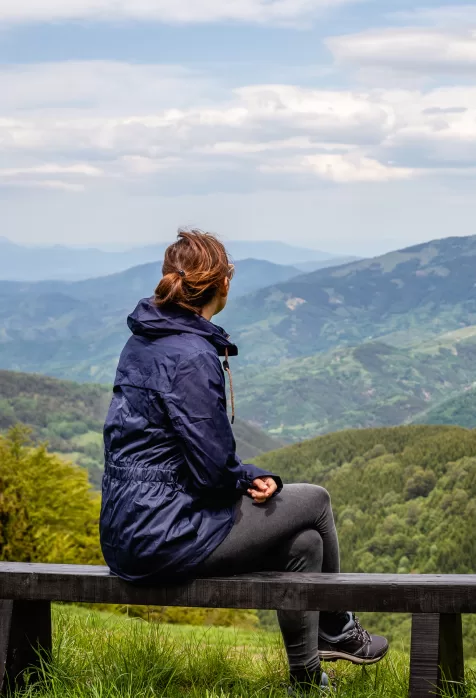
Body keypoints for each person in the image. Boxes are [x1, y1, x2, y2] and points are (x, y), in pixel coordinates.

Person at [99, 228, 388, 693]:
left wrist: (243, 477)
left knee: (305, 546)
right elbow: (213, 472)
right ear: (222, 285)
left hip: (126, 528)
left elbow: (181, 453)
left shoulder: (147, 340)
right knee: (315, 500)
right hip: (162, 534)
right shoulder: (190, 354)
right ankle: (338, 626)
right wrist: (251, 476)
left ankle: (308, 680)